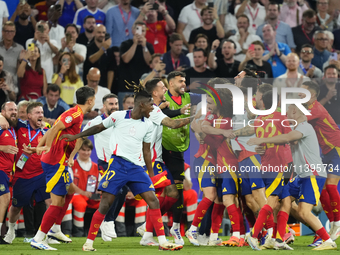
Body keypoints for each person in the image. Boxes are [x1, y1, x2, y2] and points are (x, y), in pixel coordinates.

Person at [59, 86, 183, 251]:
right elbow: (98, 128)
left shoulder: (147, 125)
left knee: (152, 200)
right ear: (141, 105)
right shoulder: (118, 116)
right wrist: (76, 137)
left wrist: (151, 175)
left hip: (137, 168)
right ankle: (88, 243)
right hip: (117, 166)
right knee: (105, 204)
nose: (153, 108)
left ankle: (162, 242)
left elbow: (147, 151)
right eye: (150, 105)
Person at [247, 104, 337, 251]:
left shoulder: (305, 127)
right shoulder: (297, 129)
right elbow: (287, 141)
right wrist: (263, 147)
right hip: (301, 175)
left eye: (287, 111)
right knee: (284, 200)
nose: (285, 115)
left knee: (303, 212)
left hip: (312, 174)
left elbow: (288, 138)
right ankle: (277, 239)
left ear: (294, 110)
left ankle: (327, 240)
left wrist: (260, 140)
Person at [28, 86, 95, 250]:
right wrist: (47, 146)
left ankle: (55, 229)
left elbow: (78, 138)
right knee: (57, 202)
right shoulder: (74, 114)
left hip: (61, 160)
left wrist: (71, 157)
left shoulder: (76, 114)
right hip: (55, 161)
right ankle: (39, 237)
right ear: (90, 101)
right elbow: (55, 128)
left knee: (70, 190)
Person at [137, 78, 192, 245]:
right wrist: (194, 118)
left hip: (157, 160)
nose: (165, 89)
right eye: (162, 87)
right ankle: (150, 233)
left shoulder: (155, 109)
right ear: (154, 92)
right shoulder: (152, 110)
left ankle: (147, 231)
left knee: (170, 193)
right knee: (166, 194)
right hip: (151, 161)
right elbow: (173, 124)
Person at [245, 89, 292, 250]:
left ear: (263, 101)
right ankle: (254, 235)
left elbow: (261, 145)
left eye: (258, 98)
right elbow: (290, 138)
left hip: (268, 163)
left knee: (286, 202)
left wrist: (260, 147)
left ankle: (278, 240)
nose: (256, 100)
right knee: (272, 201)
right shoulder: (281, 118)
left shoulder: (258, 119)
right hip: (279, 164)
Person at [3, 102, 51, 244]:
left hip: (42, 173)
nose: (41, 115)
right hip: (22, 175)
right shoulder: (20, 126)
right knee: (16, 207)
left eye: (42, 112)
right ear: (29, 115)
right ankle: (11, 231)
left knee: (51, 202)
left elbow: (52, 145)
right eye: (37, 113)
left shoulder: (46, 129)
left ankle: (46, 234)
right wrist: (0, 116)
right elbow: (7, 117)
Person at [299, 81, 340, 242]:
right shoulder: (307, 108)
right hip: (326, 152)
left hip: (337, 148)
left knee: (330, 186)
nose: (299, 95)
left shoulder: (314, 109)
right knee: (321, 190)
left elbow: (296, 121)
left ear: (313, 95)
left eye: (303, 92)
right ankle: (333, 223)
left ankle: (337, 223)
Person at [83, 93, 125, 241]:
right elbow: (81, 133)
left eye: (116, 104)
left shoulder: (122, 120)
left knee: (124, 190)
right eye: (111, 104)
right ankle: (107, 221)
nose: (114, 107)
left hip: (121, 162)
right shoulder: (96, 122)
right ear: (104, 106)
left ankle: (108, 221)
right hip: (105, 163)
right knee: (117, 190)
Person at [161, 71, 191, 245]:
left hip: (177, 149)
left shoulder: (189, 97)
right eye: (180, 81)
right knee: (161, 191)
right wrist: (183, 112)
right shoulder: (162, 98)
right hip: (160, 148)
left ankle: (174, 227)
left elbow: (210, 99)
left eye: (184, 80)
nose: (183, 83)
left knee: (177, 191)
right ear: (171, 84)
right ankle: (152, 227)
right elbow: (167, 116)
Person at [118, 21, 154, 107]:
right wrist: (135, 44)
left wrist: (144, 46)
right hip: (126, 87)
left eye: (143, 30)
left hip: (143, 88)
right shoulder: (125, 44)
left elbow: (150, 63)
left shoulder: (148, 46)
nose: (141, 33)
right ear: (133, 31)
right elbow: (126, 59)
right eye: (138, 30)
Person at [69, 138, 100, 237]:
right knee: (79, 203)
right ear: (78, 150)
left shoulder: (96, 166)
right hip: (77, 195)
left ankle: (99, 232)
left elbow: (99, 183)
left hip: (92, 196)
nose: (86, 153)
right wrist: (83, 192)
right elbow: (70, 184)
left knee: (106, 202)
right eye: (84, 150)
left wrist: (99, 192)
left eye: (88, 150)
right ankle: (78, 232)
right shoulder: (71, 165)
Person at [0, 102, 18, 244]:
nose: (14, 112)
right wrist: (2, 147)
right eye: (10, 109)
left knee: (5, 199)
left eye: (15, 110)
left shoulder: (12, 129)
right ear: (3, 112)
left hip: (7, 172)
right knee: (5, 198)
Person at [83, 24, 116, 90]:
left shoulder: (109, 50)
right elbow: (91, 60)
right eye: (99, 32)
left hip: (104, 86)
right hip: (88, 87)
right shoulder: (88, 48)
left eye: (103, 32)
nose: (102, 35)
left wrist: (108, 89)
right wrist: (103, 49)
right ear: (94, 33)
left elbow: (111, 71)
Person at [0, 21, 24, 92]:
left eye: (11, 31)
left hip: (12, 84)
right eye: (7, 31)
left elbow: (21, 73)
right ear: (2, 32)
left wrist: (22, 60)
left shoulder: (20, 49)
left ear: (14, 33)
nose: (9, 34)